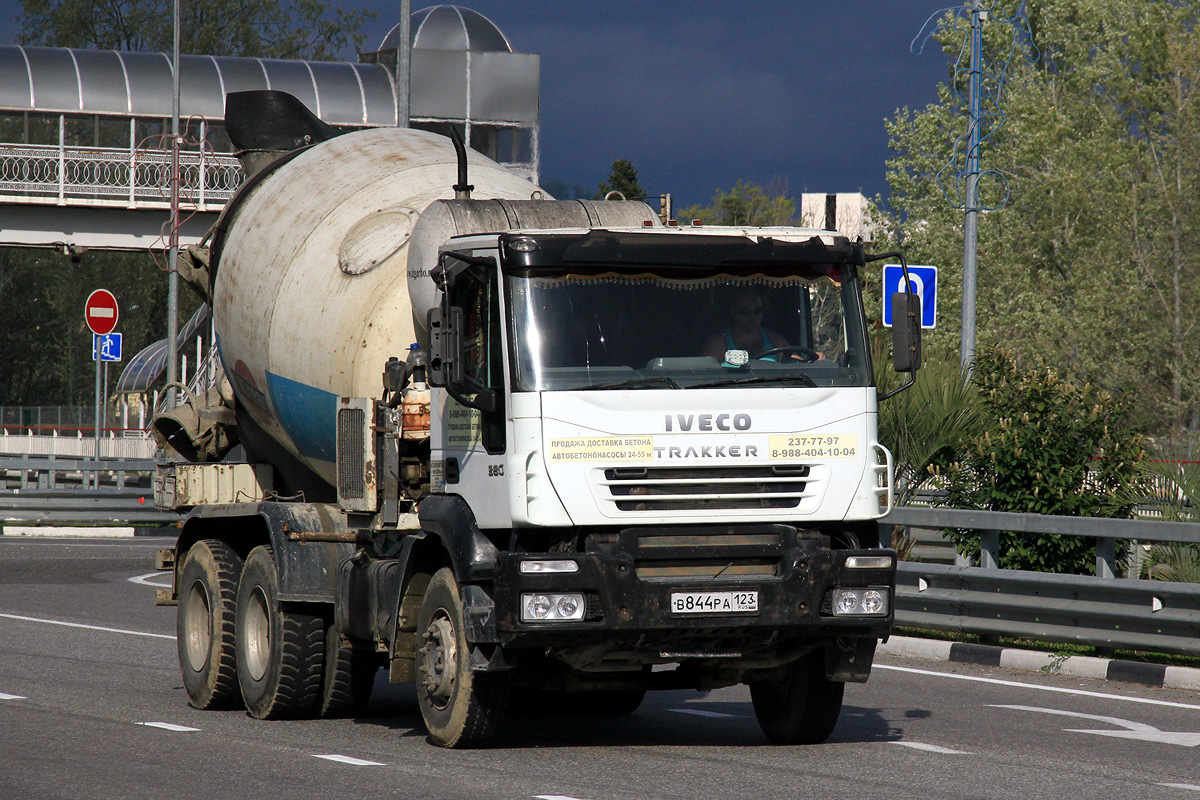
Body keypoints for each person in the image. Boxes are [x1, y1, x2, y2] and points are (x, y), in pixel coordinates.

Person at [701, 290, 790, 362]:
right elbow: (704, 375)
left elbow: (797, 365)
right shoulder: (717, 343)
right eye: (744, 311)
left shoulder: (776, 341)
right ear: (733, 312)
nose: (752, 316)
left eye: (757, 310)